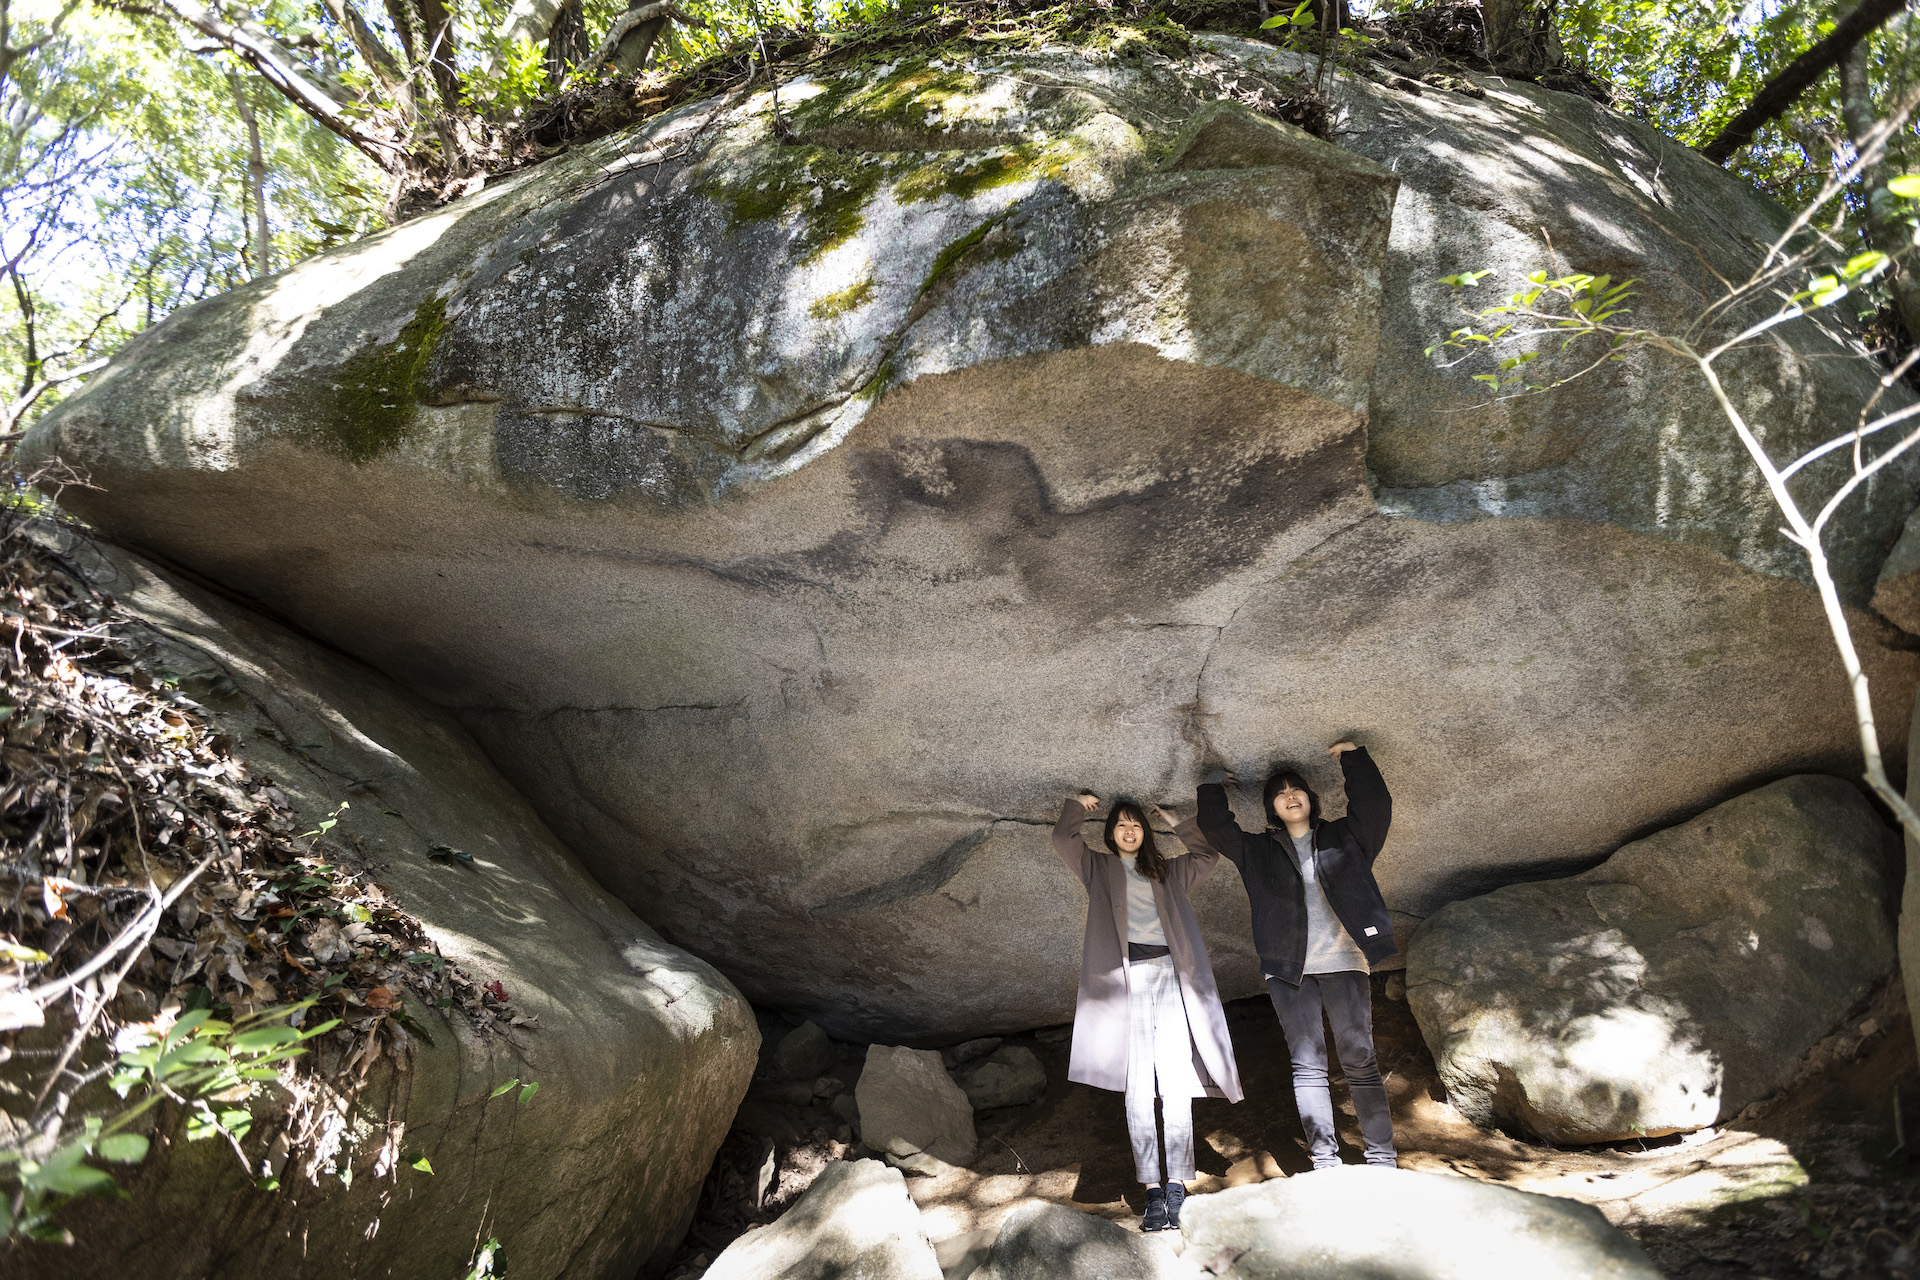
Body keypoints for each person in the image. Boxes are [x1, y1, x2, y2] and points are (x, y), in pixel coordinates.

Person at [1193, 741, 1398, 1170]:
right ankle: (1326, 1161)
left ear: (1310, 798)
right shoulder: (1258, 851)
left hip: (1344, 960)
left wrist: (1353, 758)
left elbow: (1375, 805)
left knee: (1360, 1057)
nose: (1290, 795)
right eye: (1279, 792)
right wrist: (1213, 785)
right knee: (1307, 1065)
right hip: (1290, 970)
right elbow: (1216, 828)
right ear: (1271, 806)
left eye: (1296, 788)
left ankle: (1382, 1159)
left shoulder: (1346, 837)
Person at [1051, 792, 1243, 1232]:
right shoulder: (1098, 868)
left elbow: (1207, 853)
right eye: (1120, 824)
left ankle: (1177, 1185)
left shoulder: (1169, 871)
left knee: (1175, 1081)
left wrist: (1178, 820)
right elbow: (1064, 840)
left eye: (1135, 823)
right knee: (1138, 1087)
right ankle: (1151, 1188)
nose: (1129, 830)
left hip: (1171, 977)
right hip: (1126, 983)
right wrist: (1077, 805)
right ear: (1110, 833)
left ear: (1145, 831)